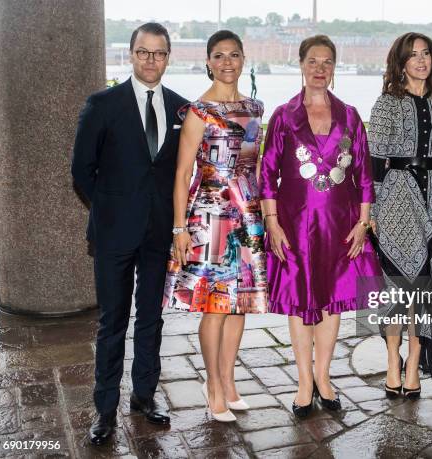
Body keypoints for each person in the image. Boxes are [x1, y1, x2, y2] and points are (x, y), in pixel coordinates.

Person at [71, 23, 188, 444]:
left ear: (168, 56)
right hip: (114, 233)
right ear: (131, 54)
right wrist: (112, 208)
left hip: (159, 233)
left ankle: (144, 395)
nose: (151, 60)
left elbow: (180, 173)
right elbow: (81, 170)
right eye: (144, 52)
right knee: (113, 322)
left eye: (159, 53)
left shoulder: (181, 109)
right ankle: (104, 410)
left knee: (152, 319)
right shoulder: (103, 104)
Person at [260, 35, 382, 418]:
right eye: (312, 61)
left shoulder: (350, 115)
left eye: (327, 62)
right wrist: (272, 223)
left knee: (332, 303)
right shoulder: (283, 115)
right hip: (294, 225)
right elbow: (266, 175)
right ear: (300, 65)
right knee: (300, 303)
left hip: (341, 225)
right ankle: (302, 383)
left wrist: (364, 222)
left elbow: (364, 174)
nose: (319, 68)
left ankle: (324, 379)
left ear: (334, 68)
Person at [163, 30, 268, 423]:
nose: (227, 62)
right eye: (219, 56)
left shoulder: (256, 108)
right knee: (214, 304)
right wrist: (179, 228)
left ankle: (229, 380)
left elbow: (256, 165)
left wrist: (263, 218)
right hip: (209, 214)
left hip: (248, 213)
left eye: (234, 55)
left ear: (243, 59)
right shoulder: (197, 111)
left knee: (239, 303)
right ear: (208, 62)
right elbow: (182, 172)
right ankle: (212, 385)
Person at [368, 32, 432, 400]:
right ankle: (393, 358)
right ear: (401, 62)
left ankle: (415, 361)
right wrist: (371, 211)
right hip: (395, 198)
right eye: (413, 55)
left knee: (427, 286)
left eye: (426, 54)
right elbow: (373, 162)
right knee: (396, 289)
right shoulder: (387, 103)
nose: (420, 60)